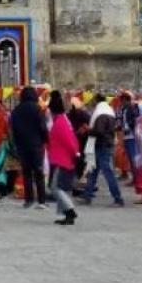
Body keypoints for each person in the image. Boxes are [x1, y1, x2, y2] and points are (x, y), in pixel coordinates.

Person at [82, 94, 124, 207]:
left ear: (97, 101)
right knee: (93, 171)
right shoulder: (109, 111)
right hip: (107, 143)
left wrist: (88, 130)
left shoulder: (100, 114)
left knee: (107, 172)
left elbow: (99, 131)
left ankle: (118, 198)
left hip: (101, 145)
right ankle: (87, 195)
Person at [10, 86, 49, 209]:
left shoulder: (16, 111)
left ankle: (29, 200)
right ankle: (41, 201)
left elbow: (13, 130)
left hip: (22, 145)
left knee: (26, 173)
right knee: (38, 173)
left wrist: (16, 144)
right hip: (36, 145)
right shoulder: (38, 109)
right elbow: (43, 127)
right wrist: (45, 140)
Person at [47, 91, 80, 225]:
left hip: (63, 159)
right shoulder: (63, 120)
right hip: (64, 158)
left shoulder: (59, 122)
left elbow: (68, 140)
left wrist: (75, 153)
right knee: (61, 187)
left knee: (55, 187)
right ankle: (67, 215)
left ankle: (70, 211)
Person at [119, 92, 139, 182]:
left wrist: (129, 127)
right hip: (126, 136)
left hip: (132, 136)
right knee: (130, 158)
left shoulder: (132, 108)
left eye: (123, 101)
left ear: (127, 100)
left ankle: (137, 178)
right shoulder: (124, 109)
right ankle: (134, 178)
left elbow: (135, 120)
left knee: (133, 158)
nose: (121, 103)